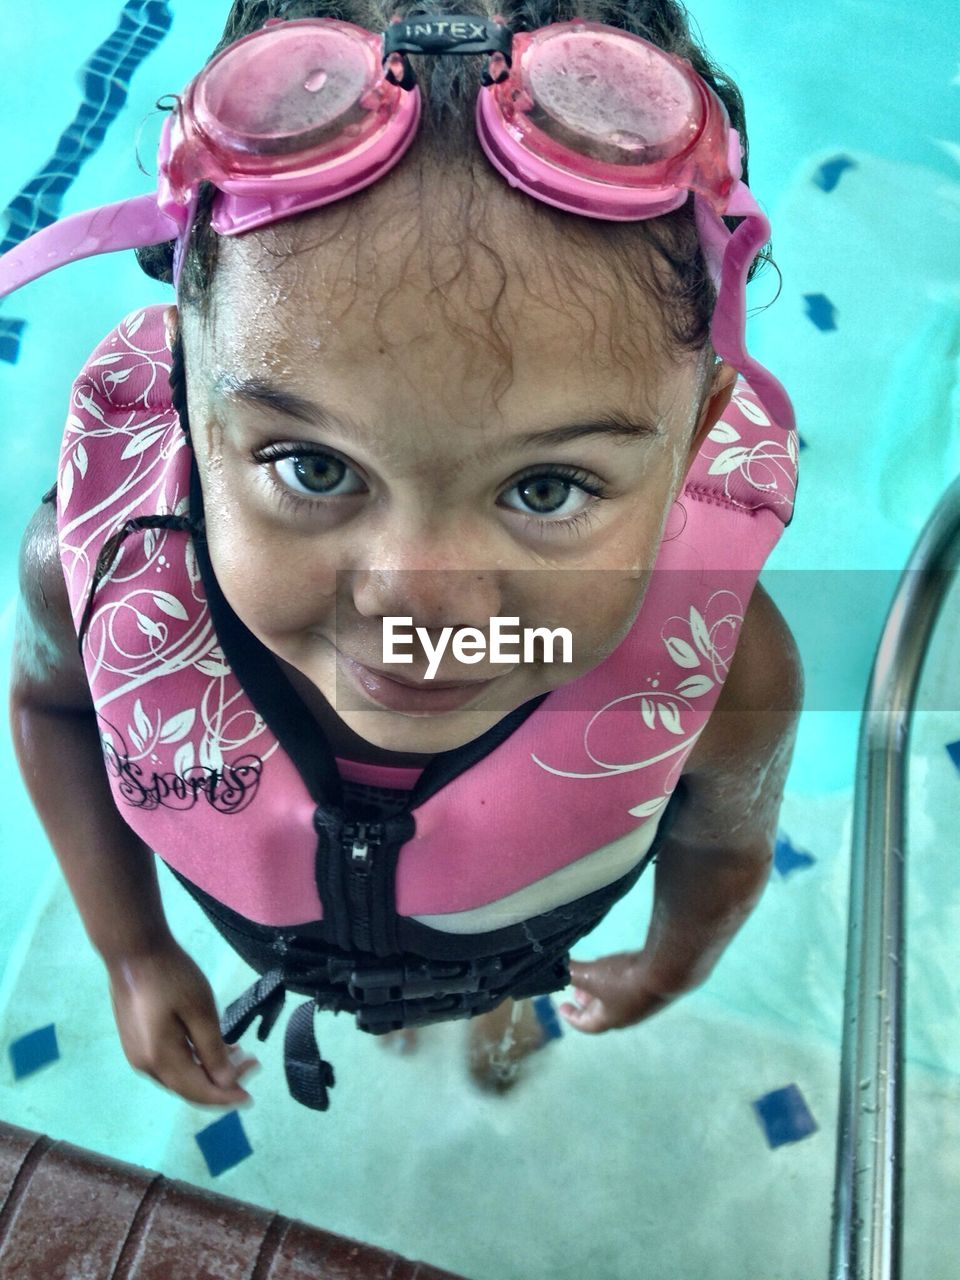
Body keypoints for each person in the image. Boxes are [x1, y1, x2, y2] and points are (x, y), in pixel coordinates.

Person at [5, 0, 803, 1112]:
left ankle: (499, 1001)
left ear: (700, 428)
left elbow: (721, 853)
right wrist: (132, 948)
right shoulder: (90, 574)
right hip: (284, 917)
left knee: (496, 972)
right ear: (190, 386)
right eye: (313, 467)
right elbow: (50, 710)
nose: (415, 605)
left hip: (514, 928)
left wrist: (674, 961)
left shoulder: (729, 674)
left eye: (545, 487)